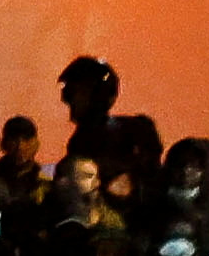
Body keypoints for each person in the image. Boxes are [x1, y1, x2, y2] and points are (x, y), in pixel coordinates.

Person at [58, 56, 164, 212]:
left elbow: (156, 182)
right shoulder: (80, 140)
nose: (67, 99)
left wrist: (133, 184)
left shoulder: (136, 130)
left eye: (76, 92)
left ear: (97, 95)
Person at [0, 116, 51, 220]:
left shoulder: (45, 184)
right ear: (3, 144)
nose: (20, 147)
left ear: (36, 144)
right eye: (14, 140)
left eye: (26, 139)